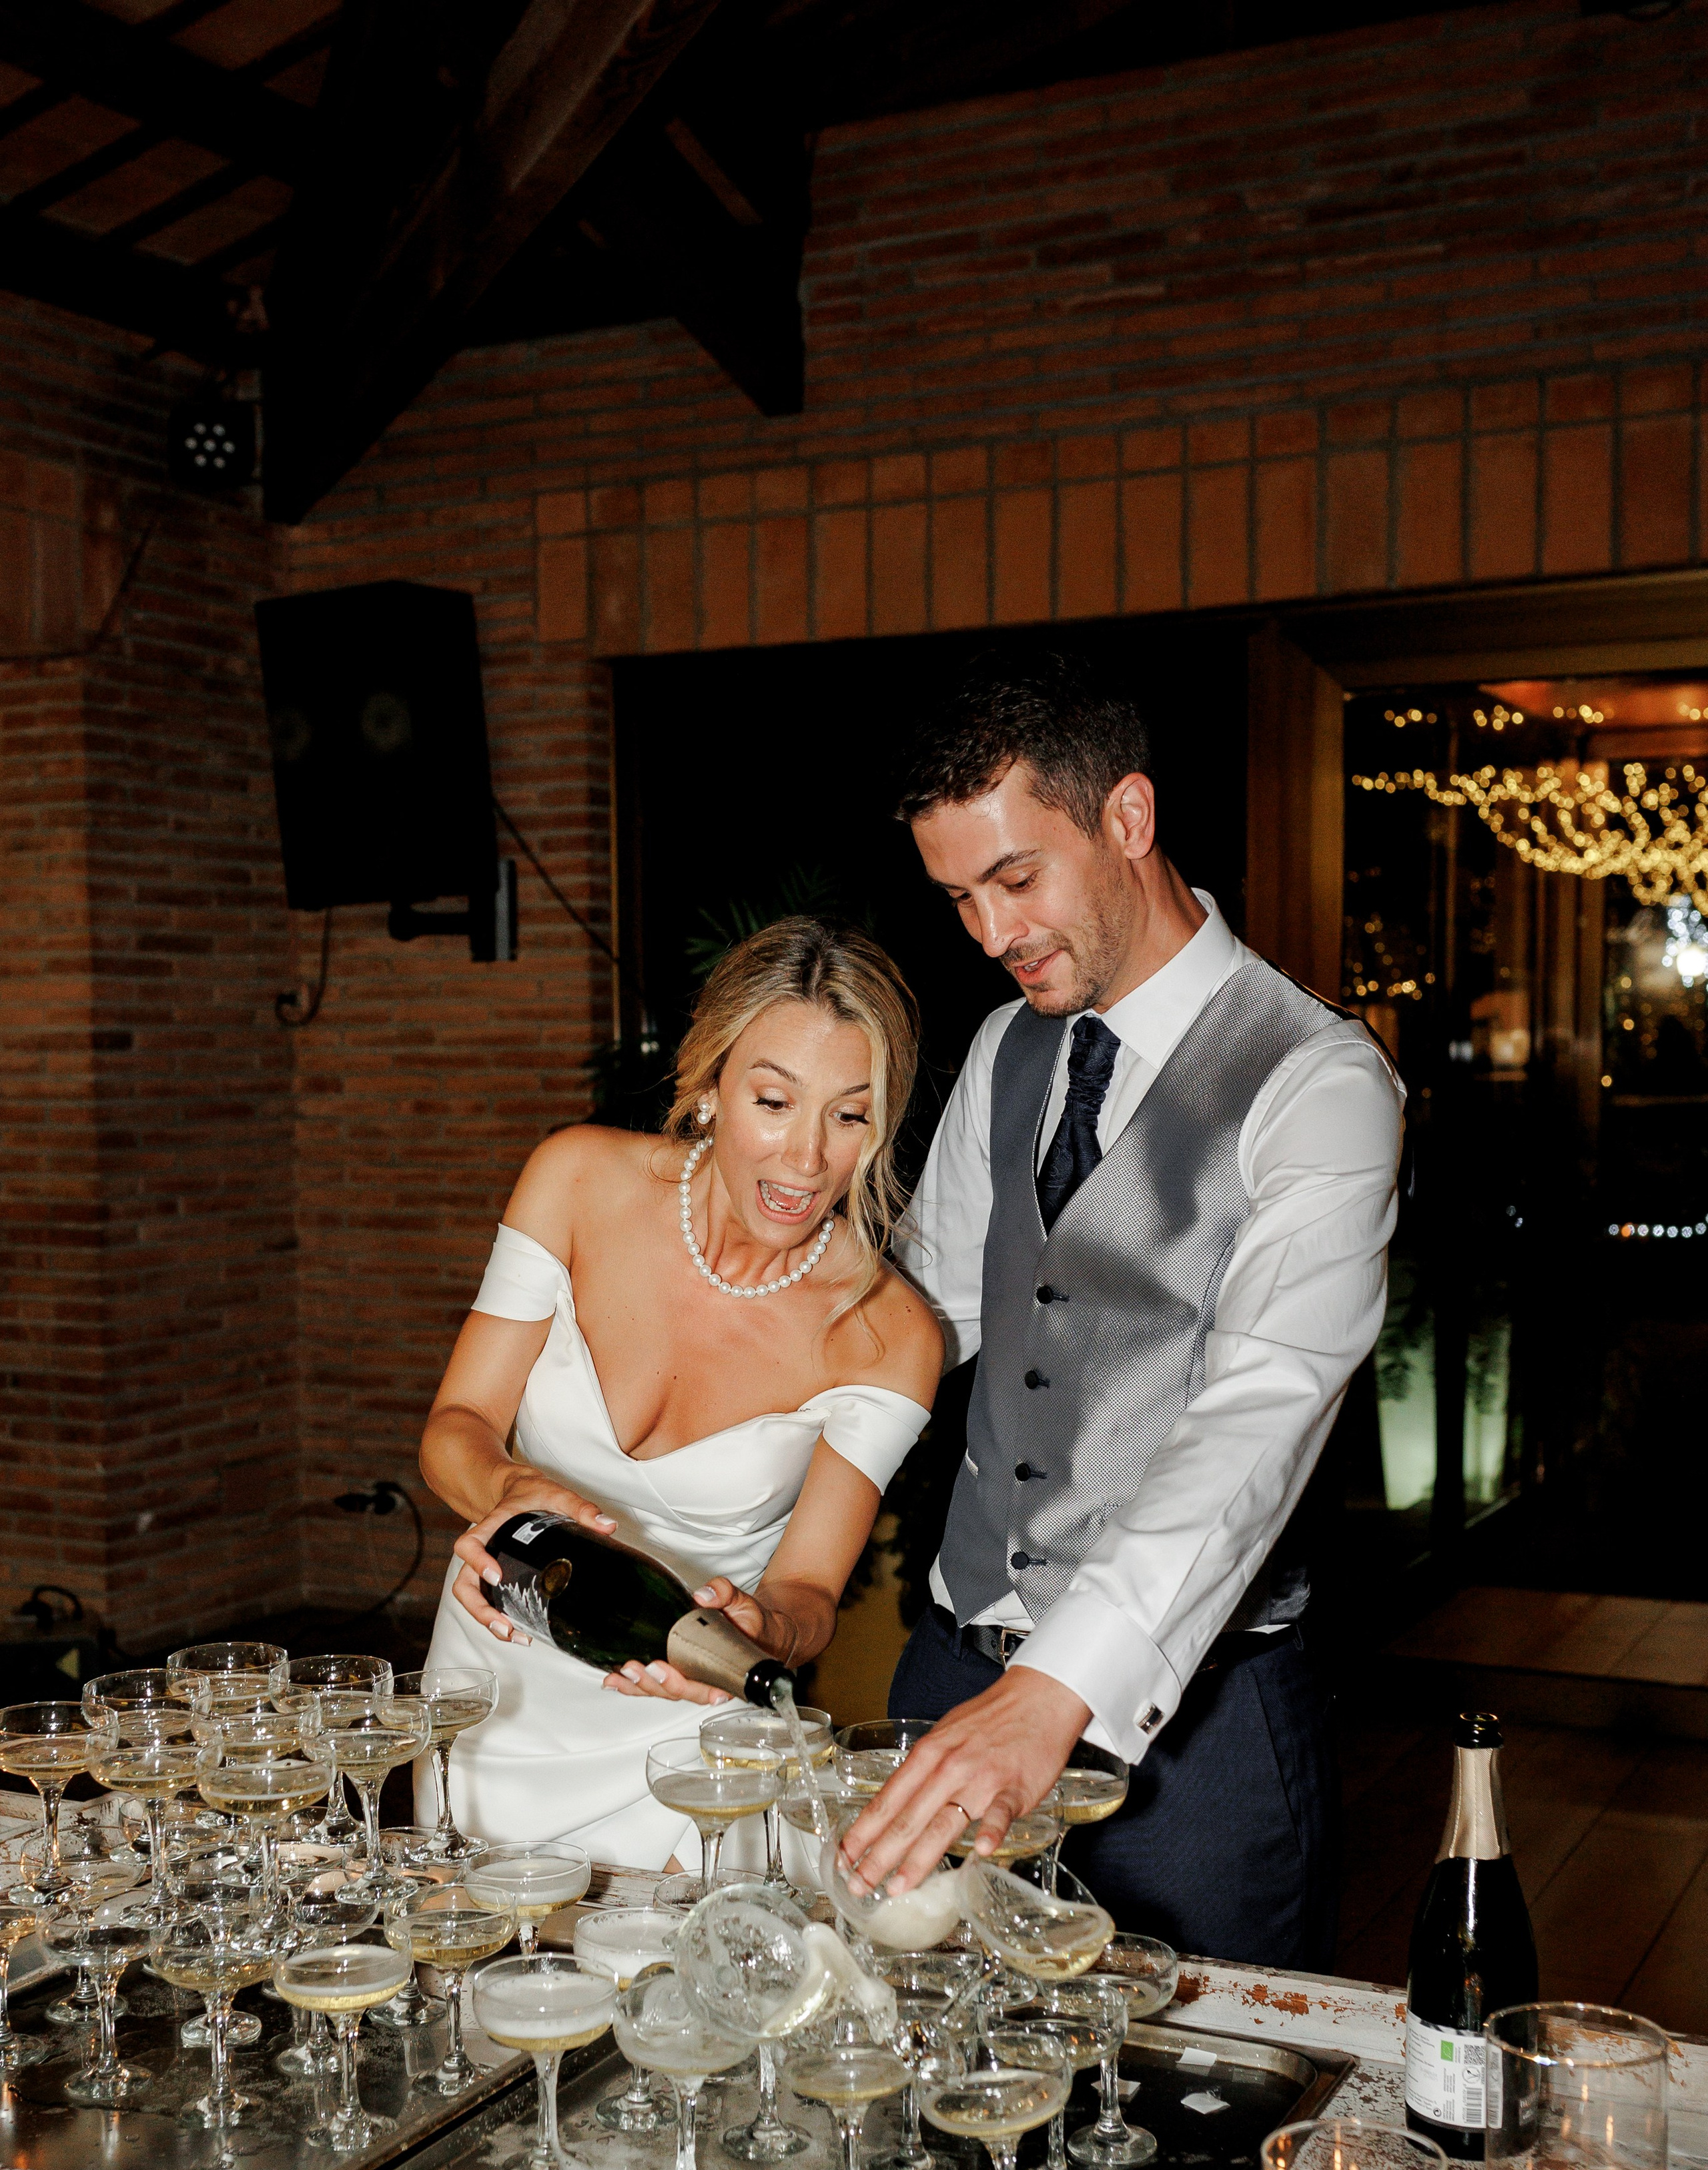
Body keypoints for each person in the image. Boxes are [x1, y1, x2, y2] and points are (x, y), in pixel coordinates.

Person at [843, 653, 1404, 1967]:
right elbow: (914, 1323)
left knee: (1188, 2123)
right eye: (957, 898)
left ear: (1128, 820)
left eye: (1014, 879)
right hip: (952, 1670)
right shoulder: (1005, 1045)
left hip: (1191, 1737)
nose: (987, 933)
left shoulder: (1317, 1083)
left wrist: (1059, 1684)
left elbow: (1259, 1411)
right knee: (938, 2076)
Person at [417, 917, 941, 1873]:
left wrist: (762, 1629)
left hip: (688, 1733)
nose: (807, 1159)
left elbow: (809, 1590)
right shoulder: (575, 1179)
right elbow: (456, 1429)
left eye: (850, 1115)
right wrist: (503, 1490)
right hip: (497, 1694)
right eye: (775, 1101)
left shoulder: (888, 1333)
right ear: (708, 1089)